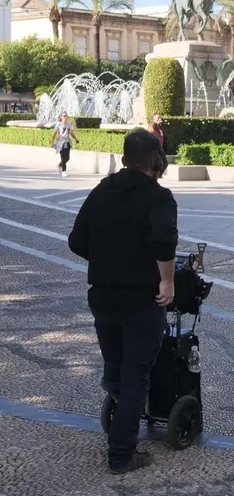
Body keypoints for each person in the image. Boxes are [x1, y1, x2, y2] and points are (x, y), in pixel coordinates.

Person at [67, 129, 177, 474]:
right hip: (140, 299)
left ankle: (119, 421)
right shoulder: (158, 197)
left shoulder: (102, 189)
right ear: (155, 160)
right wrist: (168, 280)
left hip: (102, 295)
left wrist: (107, 259)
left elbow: (76, 240)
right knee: (135, 378)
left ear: (125, 158)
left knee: (115, 369)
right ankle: (121, 454)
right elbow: (164, 243)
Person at [50, 111, 80, 177]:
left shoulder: (69, 124)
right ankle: (64, 171)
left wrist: (76, 139)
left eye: (66, 115)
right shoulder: (58, 124)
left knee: (67, 158)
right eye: (64, 116)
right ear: (61, 117)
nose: (65, 117)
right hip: (60, 143)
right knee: (63, 157)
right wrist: (52, 142)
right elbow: (54, 134)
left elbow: (71, 133)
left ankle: (59, 165)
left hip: (67, 142)